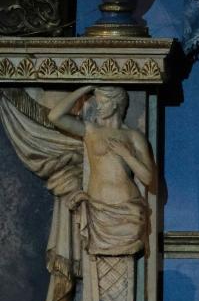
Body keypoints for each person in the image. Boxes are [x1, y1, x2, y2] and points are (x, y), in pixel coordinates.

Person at [47, 86, 157, 258]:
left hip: (127, 210)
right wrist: (84, 88)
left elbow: (148, 178)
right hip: (97, 210)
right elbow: (55, 116)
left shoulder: (133, 136)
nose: (97, 107)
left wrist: (126, 155)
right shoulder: (91, 130)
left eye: (102, 102)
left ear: (115, 104)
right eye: (96, 102)